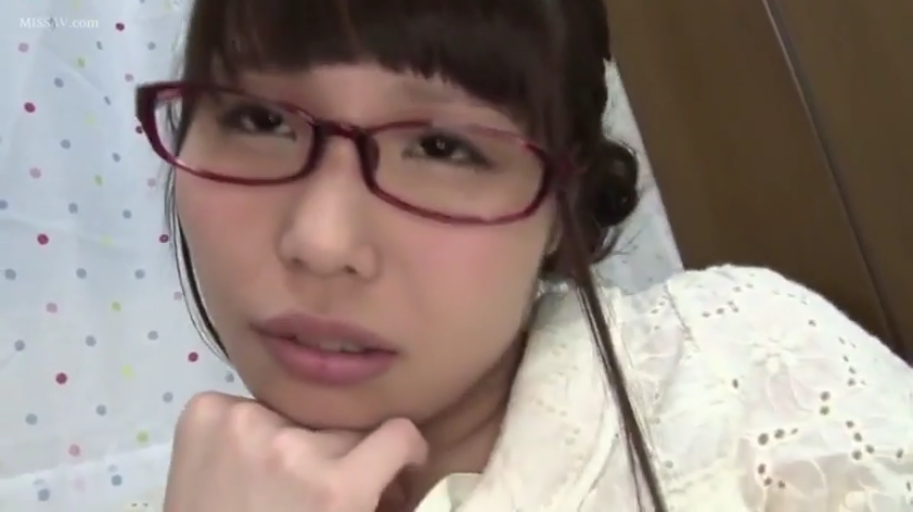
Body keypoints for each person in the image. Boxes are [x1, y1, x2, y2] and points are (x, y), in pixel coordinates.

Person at [133, 0, 913, 510]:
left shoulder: (741, 375)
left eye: (441, 147)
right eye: (259, 122)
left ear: (561, 207)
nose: (322, 242)